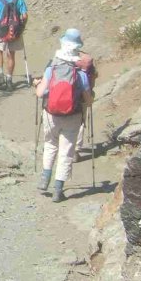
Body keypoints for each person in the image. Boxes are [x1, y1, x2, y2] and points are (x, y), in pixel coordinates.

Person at [34, 29, 94, 202]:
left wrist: (37, 85)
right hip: (72, 117)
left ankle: (45, 178)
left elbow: (40, 93)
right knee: (66, 152)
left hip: (51, 115)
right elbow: (88, 101)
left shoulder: (51, 69)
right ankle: (58, 190)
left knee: (50, 145)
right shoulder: (81, 74)